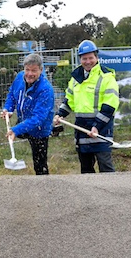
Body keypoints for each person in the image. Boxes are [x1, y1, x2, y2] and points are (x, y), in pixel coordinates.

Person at [53, 40, 119, 173]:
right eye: (84, 58)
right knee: (86, 169)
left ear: (97, 58)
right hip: (81, 129)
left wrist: (97, 126)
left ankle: (113, 192)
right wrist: (60, 114)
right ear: (80, 59)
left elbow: (109, 106)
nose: (88, 61)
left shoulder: (107, 77)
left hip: (101, 129)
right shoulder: (75, 79)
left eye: (91, 58)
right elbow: (69, 100)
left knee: (105, 166)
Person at [0, 53, 55, 175]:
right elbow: (12, 95)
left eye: (34, 70)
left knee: (39, 163)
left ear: (41, 70)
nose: (29, 74)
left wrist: (15, 130)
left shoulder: (46, 89)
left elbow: (38, 118)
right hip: (24, 120)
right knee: (22, 133)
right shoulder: (20, 77)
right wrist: (8, 109)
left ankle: (43, 184)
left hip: (40, 128)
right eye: (27, 70)